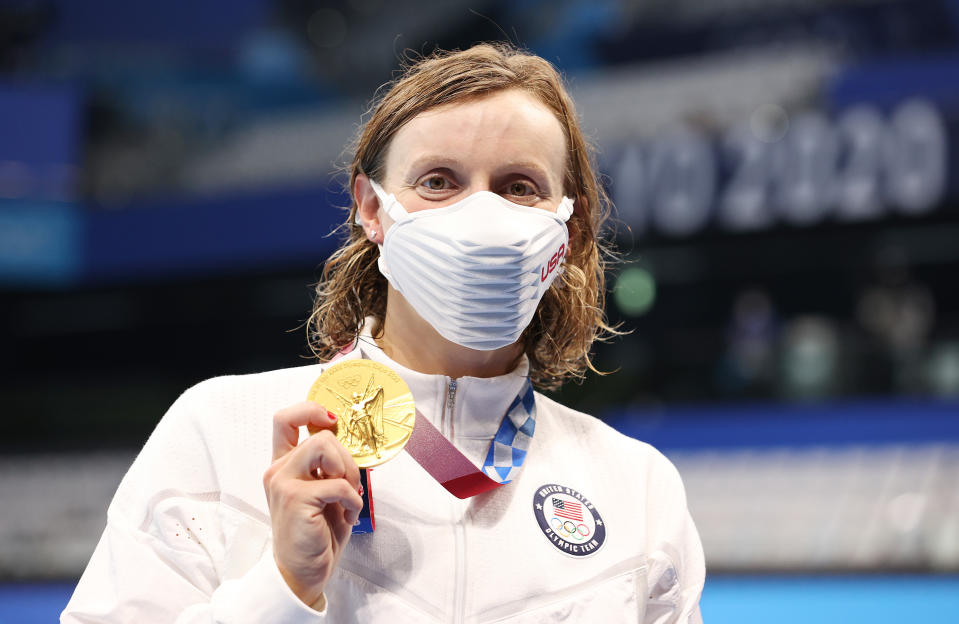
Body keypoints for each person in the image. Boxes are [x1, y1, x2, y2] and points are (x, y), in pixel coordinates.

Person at [63, 43, 705, 623]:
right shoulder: (221, 428)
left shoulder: (638, 488)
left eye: (519, 187)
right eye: (438, 181)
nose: (480, 214)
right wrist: (283, 588)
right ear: (371, 208)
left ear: (570, 223)